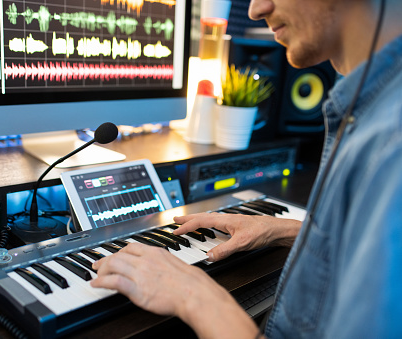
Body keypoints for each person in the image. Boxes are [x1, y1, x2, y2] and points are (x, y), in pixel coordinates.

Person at [91, 0, 402, 337]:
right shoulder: (373, 114)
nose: (255, 9)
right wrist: (286, 230)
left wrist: (194, 296)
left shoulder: (391, 144)